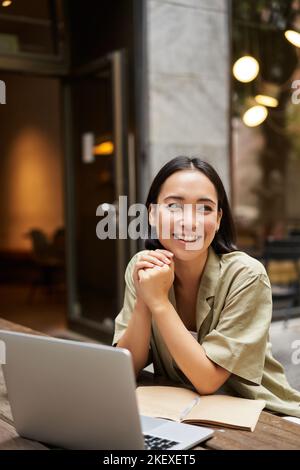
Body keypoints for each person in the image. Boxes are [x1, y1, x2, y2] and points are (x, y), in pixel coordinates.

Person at [113, 156, 300, 418]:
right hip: (181, 410)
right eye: (174, 206)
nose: (189, 222)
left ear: (219, 219)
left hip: (262, 416)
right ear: (152, 214)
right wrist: (146, 298)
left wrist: (159, 303)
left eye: (205, 209)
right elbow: (127, 368)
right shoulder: (143, 267)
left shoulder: (246, 275)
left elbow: (208, 380)